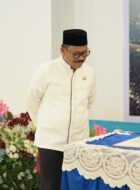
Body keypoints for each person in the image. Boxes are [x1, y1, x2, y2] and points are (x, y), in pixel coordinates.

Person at [27, 29, 96, 190]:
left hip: (78, 143)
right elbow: (32, 102)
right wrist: (45, 126)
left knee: (76, 186)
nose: (81, 58)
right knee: (50, 186)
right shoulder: (46, 70)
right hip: (51, 144)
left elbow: (89, 102)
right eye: (76, 54)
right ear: (62, 50)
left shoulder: (89, 73)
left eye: (85, 53)